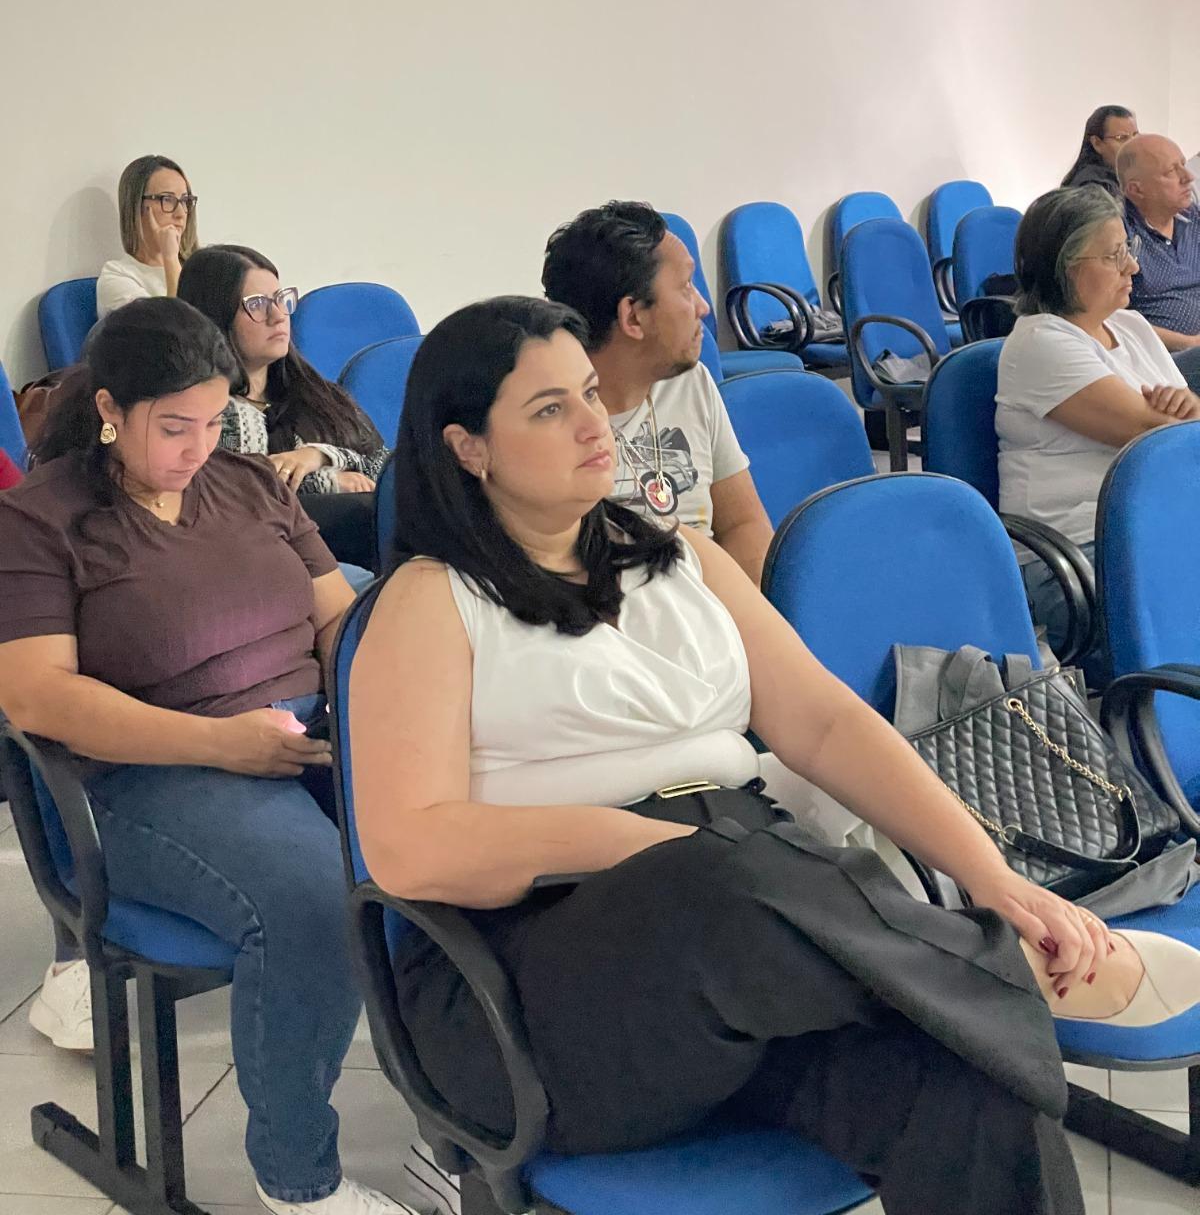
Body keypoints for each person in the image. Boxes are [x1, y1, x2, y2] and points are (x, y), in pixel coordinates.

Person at [350, 296, 1200, 1215]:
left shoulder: (682, 560)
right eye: (550, 409)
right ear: (469, 447)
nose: (595, 425)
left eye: (590, 394)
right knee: (727, 882)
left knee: (973, 1083)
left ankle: (977, 967)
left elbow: (827, 725)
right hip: (541, 991)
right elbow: (410, 849)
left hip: (759, 948)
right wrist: (646, 846)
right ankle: (1003, 973)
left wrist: (995, 881)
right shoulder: (431, 601)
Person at [0, 298, 428, 1215]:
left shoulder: (248, 483)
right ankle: (297, 1179)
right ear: (110, 410)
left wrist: (381, 704)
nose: (198, 447)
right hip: (151, 771)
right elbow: (39, 699)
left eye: (212, 421)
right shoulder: (41, 520)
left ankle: (459, 1124)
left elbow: (335, 617)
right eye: (174, 427)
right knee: (315, 898)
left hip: (304, 731)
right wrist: (221, 743)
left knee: (455, 845)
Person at [997, 185, 1200, 659]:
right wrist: (1183, 416)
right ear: (1063, 268)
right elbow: (1154, 441)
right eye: (1113, 256)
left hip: (1153, 530)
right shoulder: (1041, 343)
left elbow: (1184, 430)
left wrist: (1188, 408)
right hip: (1078, 559)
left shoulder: (1131, 325)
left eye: (1127, 249)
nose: (1133, 267)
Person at [542, 201, 773, 585]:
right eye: (686, 287)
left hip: (713, 606)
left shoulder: (691, 382)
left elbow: (743, 524)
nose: (702, 306)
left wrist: (744, 615)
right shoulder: (547, 424)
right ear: (633, 316)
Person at [178, 246, 386, 571]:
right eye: (257, 304)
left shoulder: (316, 392)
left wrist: (320, 456)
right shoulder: (206, 414)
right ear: (215, 317)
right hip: (268, 561)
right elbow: (238, 495)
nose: (278, 315)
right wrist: (331, 483)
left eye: (280, 299)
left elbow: (384, 466)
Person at [1116, 134, 1200, 390]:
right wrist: (1189, 343)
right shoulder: (1118, 233)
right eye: (1171, 172)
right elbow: (1110, 318)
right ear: (1136, 190)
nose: (1188, 177)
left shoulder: (1193, 218)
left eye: (1183, 164)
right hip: (1161, 361)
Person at [97, 155, 199, 316]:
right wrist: (170, 258)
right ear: (137, 206)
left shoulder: (199, 266)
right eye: (167, 199)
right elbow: (178, 326)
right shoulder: (117, 276)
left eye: (185, 200)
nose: (181, 213)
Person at [1059, 105, 1138, 194]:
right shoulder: (1091, 188)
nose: (1133, 144)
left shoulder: (1127, 179)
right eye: (1121, 138)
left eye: (1135, 136)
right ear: (1097, 143)